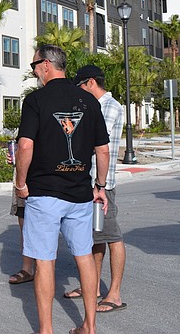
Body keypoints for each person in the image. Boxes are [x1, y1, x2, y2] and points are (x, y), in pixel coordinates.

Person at [15, 45, 110, 334]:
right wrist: (100, 186)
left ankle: (46, 330)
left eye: (34, 66)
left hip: (44, 194)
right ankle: (89, 327)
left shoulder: (36, 100)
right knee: (84, 256)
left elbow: (25, 145)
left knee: (45, 261)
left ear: (45, 65)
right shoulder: (89, 100)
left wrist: (20, 184)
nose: (33, 72)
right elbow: (103, 150)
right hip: (80, 194)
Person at [64, 65, 127, 313]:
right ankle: (92, 286)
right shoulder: (93, 106)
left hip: (102, 185)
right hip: (88, 182)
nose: (79, 92)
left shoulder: (110, 107)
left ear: (90, 83)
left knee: (113, 237)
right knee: (94, 237)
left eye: (80, 86)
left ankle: (115, 294)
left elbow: (97, 143)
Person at [7, 139, 35, 286]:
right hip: (23, 178)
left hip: (41, 177)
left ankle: (45, 269)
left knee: (47, 227)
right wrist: (15, 156)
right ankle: (27, 269)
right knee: (24, 223)